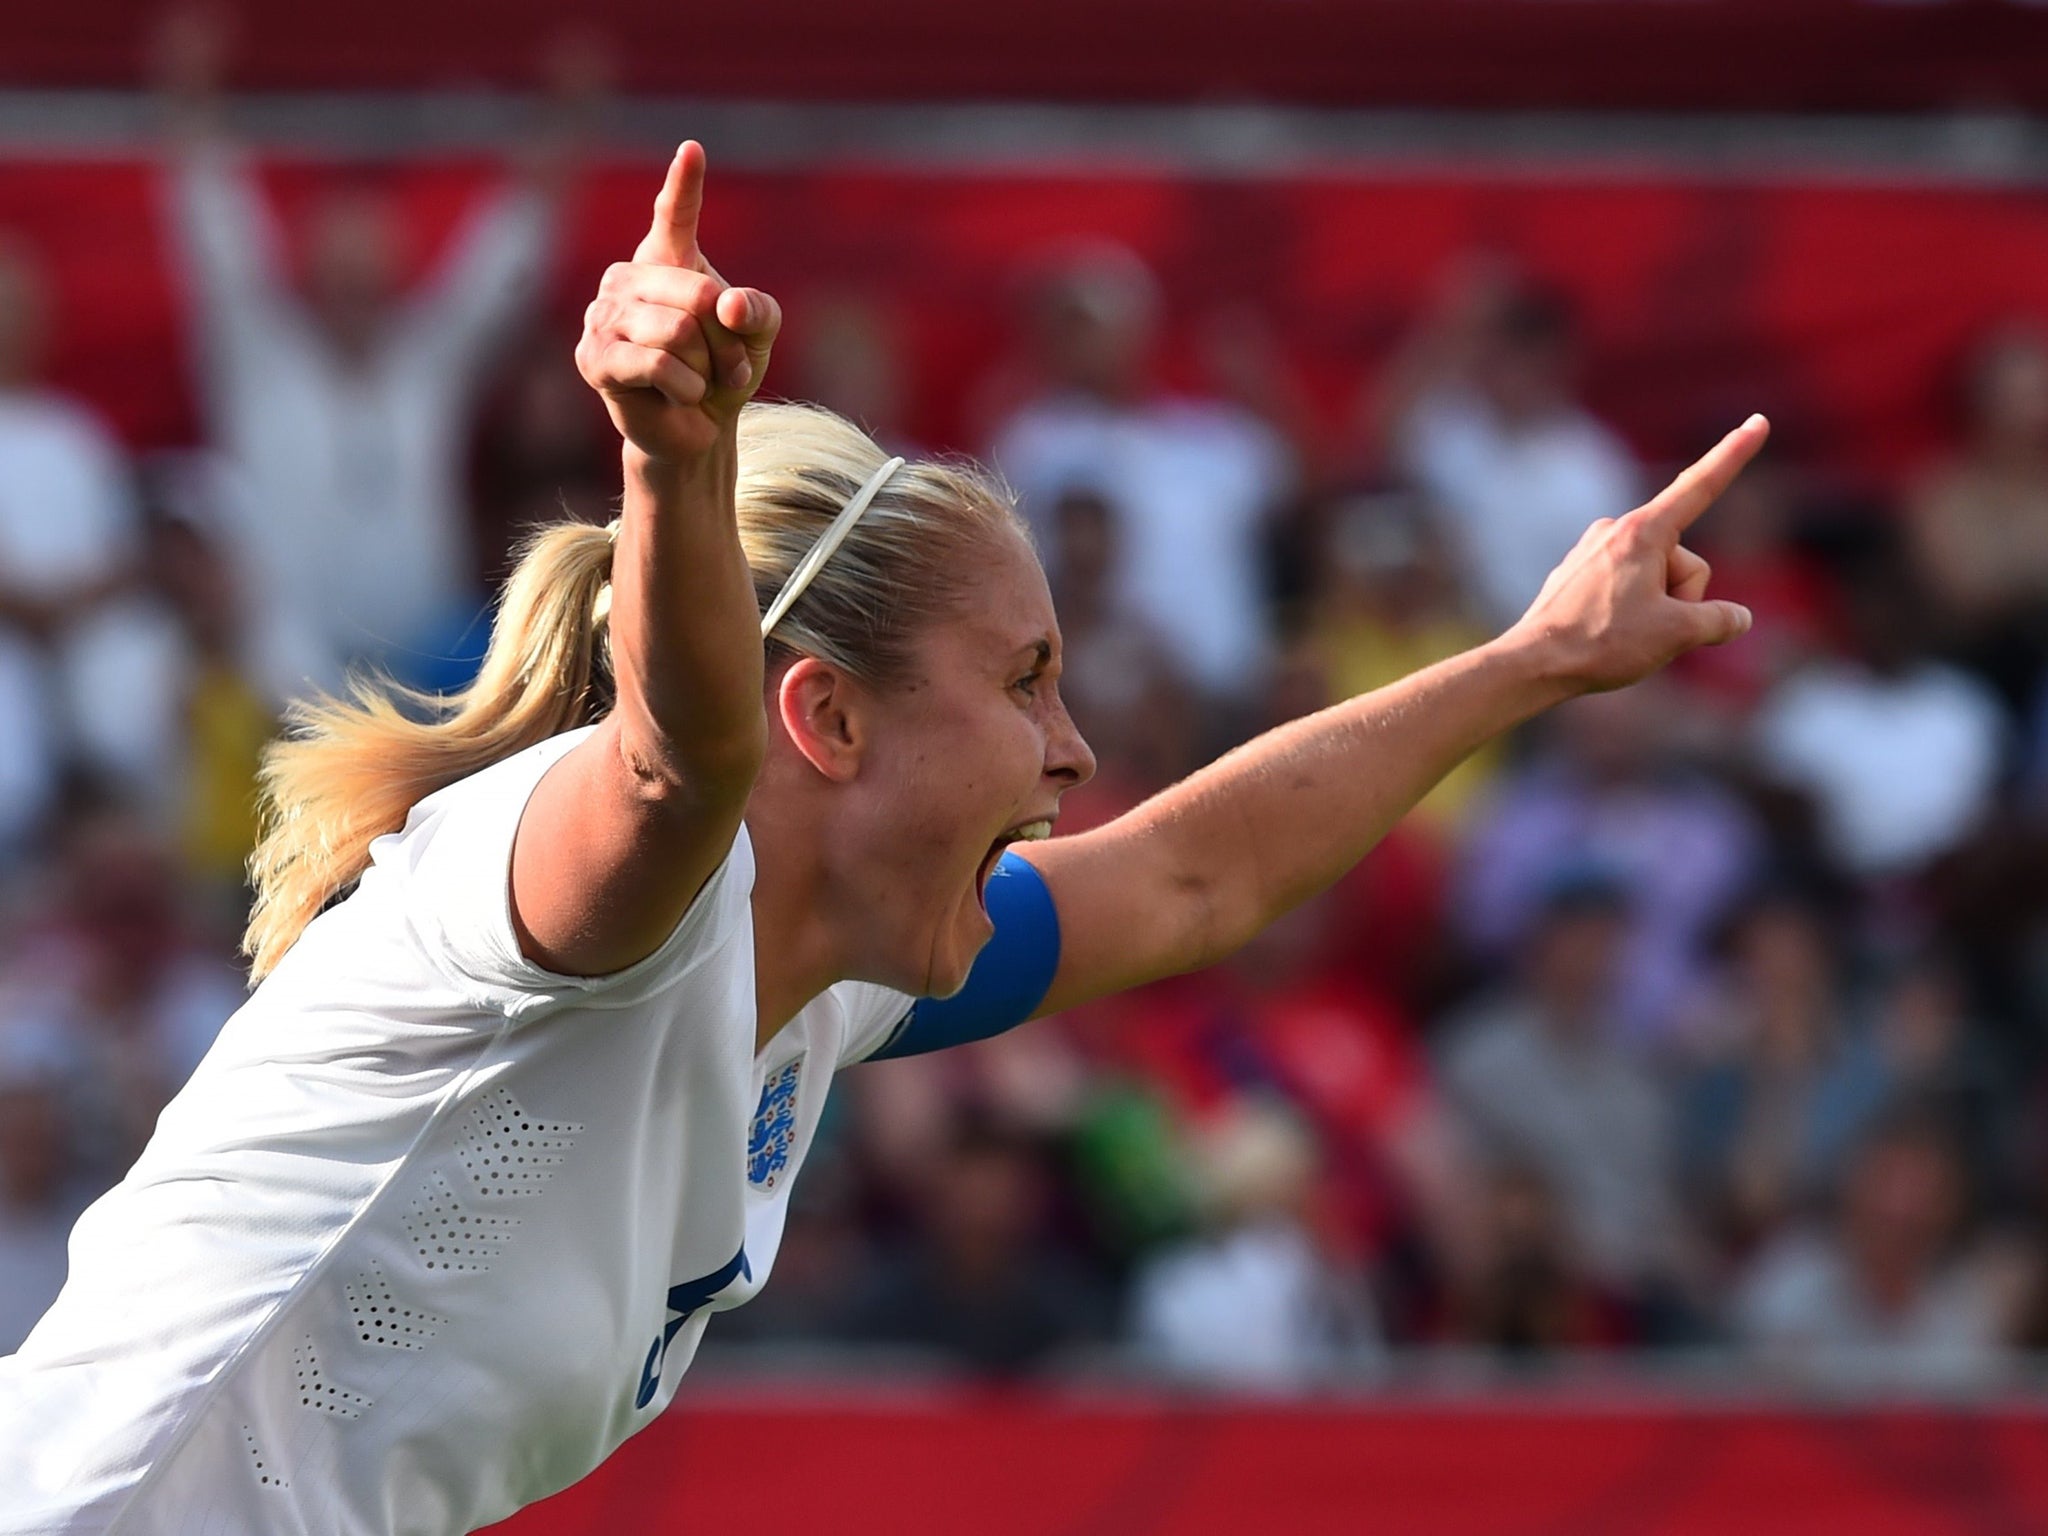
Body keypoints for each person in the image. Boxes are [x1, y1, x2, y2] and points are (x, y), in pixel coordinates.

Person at [0, 145, 1765, 1535]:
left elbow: (1192, 875)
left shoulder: (830, 972)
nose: (1074, 751)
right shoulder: (569, 877)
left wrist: (1530, 661)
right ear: (828, 720)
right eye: (1024, 681)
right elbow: (681, 763)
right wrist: (671, 463)